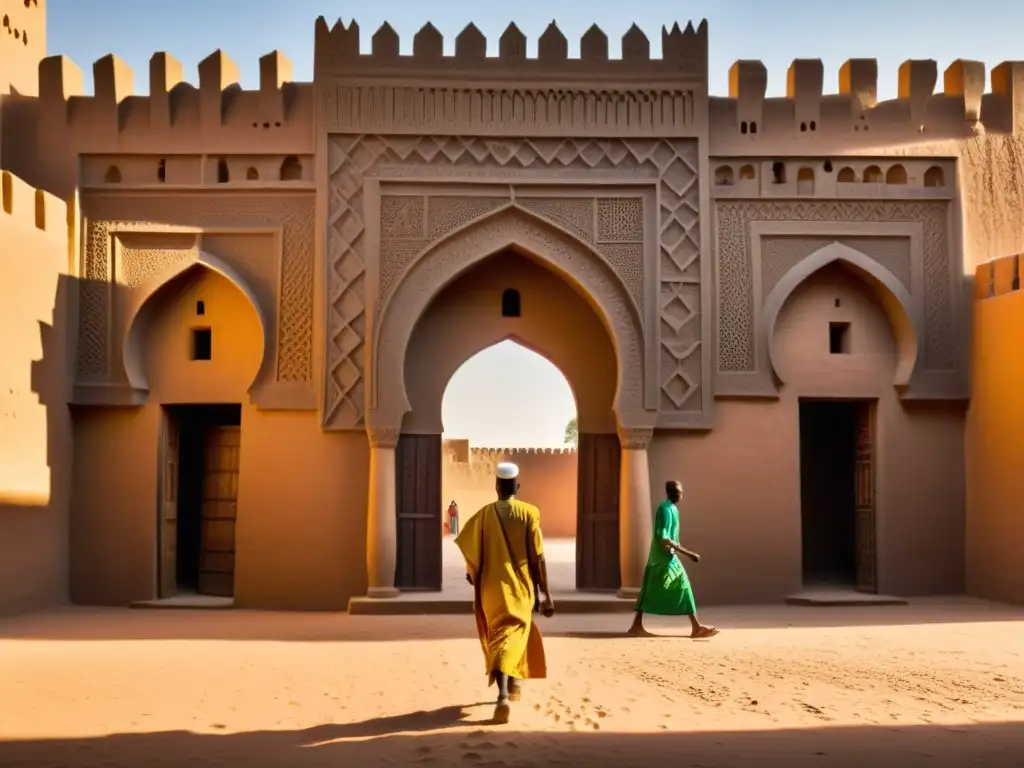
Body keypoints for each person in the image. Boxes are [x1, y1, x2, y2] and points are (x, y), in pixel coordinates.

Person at [455, 461, 554, 724]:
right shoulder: (530, 513)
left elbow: (471, 560)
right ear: (517, 487)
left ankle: (510, 686)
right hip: (521, 590)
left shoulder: (483, 516)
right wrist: (546, 594)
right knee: (514, 635)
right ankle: (503, 696)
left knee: (501, 637)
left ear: (497, 486)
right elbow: (538, 559)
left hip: (491, 592)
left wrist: (474, 574)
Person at [628, 480, 719, 639]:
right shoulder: (664, 509)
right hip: (660, 560)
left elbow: (671, 539)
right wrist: (689, 553)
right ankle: (695, 627)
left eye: (680, 492)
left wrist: (679, 550)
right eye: (677, 492)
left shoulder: (673, 510)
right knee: (653, 590)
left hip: (669, 557)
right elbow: (663, 538)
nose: (680, 495)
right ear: (671, 493)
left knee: (677, 588)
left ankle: (696, 627)